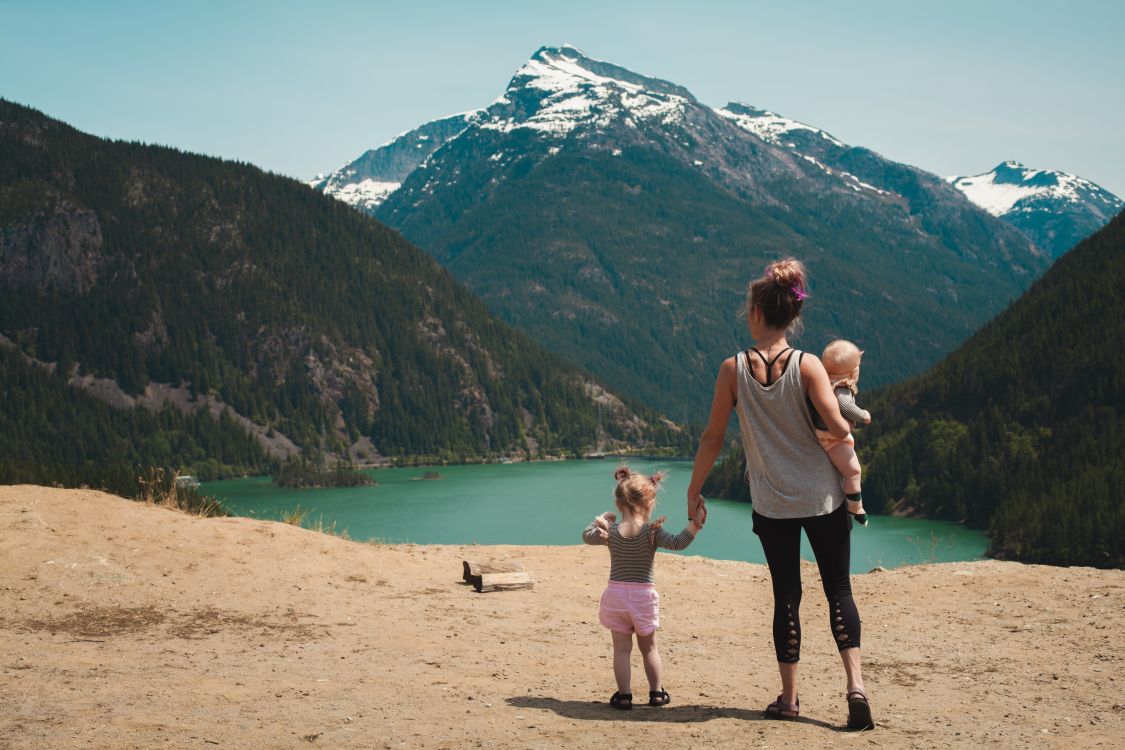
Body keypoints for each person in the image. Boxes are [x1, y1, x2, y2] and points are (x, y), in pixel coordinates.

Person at [685, 258, 875, 730]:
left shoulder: (733, 369)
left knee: (785, 596)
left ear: (754, 313)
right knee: (839, 589)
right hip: (824, 500)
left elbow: (712, 438)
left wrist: (694, 489)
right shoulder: (809, 365)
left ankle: (789, 700)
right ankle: (855, 689)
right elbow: (835, 424)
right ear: (792, 316)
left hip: (772, 504)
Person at [582, 466, 707, 710]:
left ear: (619, 504)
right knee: (649, 648)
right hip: (642, 599)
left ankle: (625, 695)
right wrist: (695, 524)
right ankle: (656, 693)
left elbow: (586, 536)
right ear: (650, 503)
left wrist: (603, 519)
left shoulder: (611, 532)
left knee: (621, 650)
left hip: (616, 597)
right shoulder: (652, 533)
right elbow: (678, 542)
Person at [811, 340, 872, 526]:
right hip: (832, 438)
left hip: (819, 433)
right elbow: (846, 407)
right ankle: (856, 506)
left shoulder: (821, 382)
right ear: (854, 372)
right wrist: (863, 415)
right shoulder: (841, 387)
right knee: (853, 470)